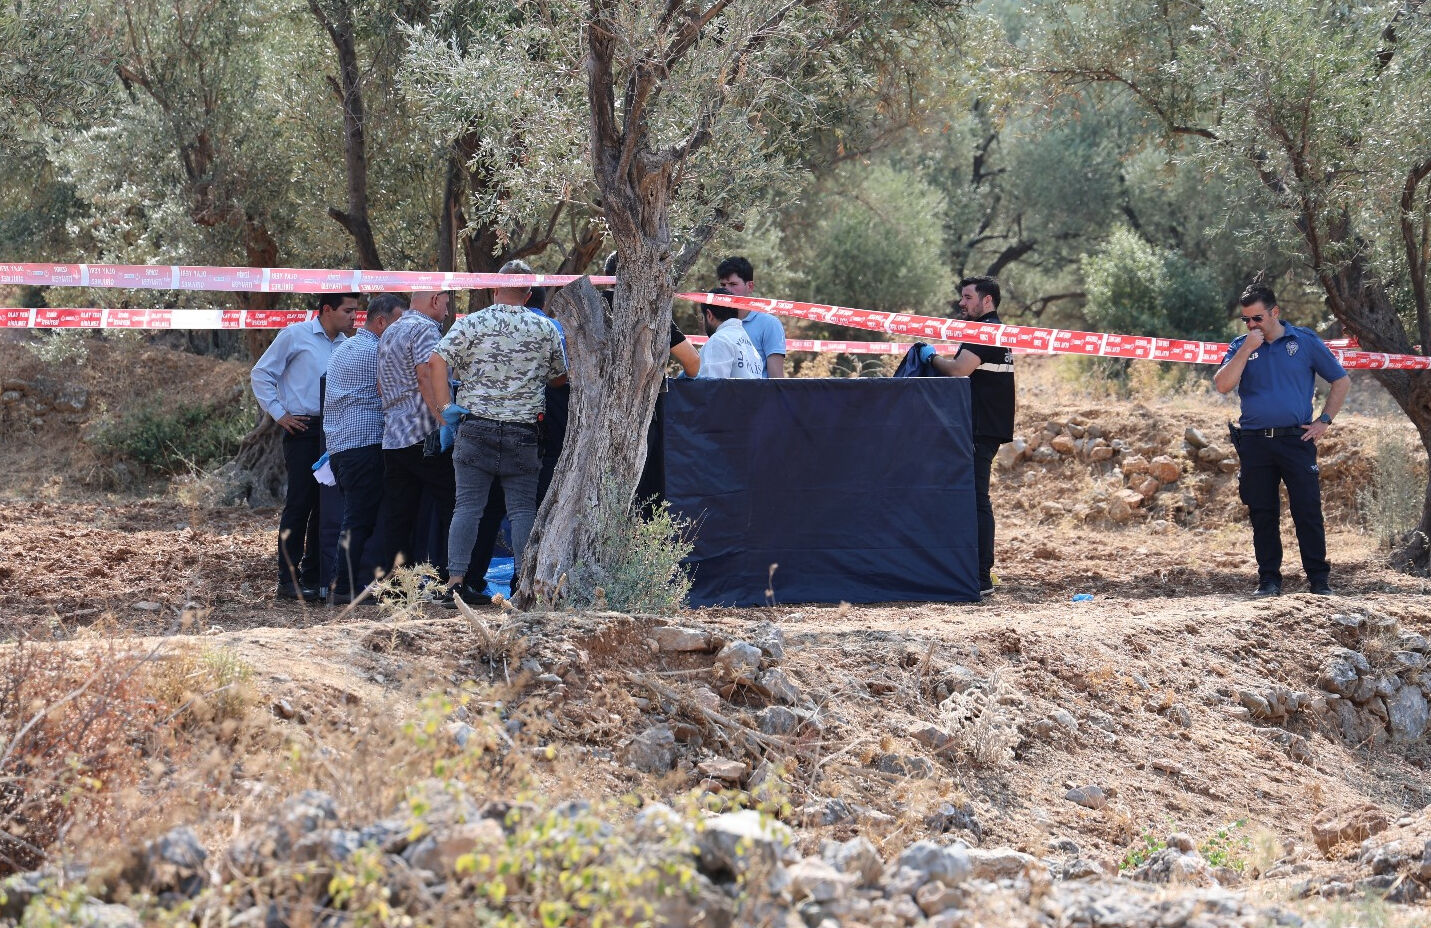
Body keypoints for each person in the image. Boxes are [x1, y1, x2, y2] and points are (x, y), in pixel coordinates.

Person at [426, 260, 568, 603]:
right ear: (530, 293)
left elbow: (436, 360)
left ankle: (455, 581)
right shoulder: (545, 328)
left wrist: (447, 410)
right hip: (523, 432)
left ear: (494, 289)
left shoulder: (472, 323)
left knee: (467, 508)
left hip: (475, 429)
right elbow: (560, 377)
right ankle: (524, 585)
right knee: (521, 510)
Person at [1214, 283, 1350, 596]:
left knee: (1307, 511)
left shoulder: (1304, 341)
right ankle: (1269, 581)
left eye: (1257, 318)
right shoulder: (1240, 345)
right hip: (1255, 442)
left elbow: (1341, 381)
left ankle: (1319, 580)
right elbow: (1222, 385)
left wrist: (1324, 422)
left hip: (1296, 441)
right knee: (1262, 513)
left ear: (1275, 312)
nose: (1251, 325)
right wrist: (1248, 348)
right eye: (1246, 320)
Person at [250, 292, 357, 600]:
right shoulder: (294, 335)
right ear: (326, 310)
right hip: (304, 430)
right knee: (300, 504)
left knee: (327, 506)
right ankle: (288, 578)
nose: (354, 316)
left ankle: (315, 574)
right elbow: (261, 373)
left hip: (337, 431)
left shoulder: (347, 344)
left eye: (356, 310)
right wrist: (279, 414)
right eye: (348, 310)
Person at [919, 275, 1015, 598]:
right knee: (974, 497)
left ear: (987, 301)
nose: (962, 303)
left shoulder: (984, 331)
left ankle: (981, 575)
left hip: (980, 427)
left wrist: (930, 358)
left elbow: (960, 369)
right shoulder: (991, 331)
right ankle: (974, 570)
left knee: (976, 499)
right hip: (984, 426)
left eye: (968, 297)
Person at [364, 288, 456, 587]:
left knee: (399, 516)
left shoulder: (390, 332)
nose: (447, 309)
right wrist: (445, 420)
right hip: (424, 434)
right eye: (446, 302)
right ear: (434, 301)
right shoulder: (426, 329)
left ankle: (397, 584)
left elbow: (381, 385)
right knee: (453, 505)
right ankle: (452, 579)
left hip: (393, 436)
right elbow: (426, 375)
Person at [322, 293, 407, 604]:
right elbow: (399, 392)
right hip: (365, 444)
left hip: (340, 446)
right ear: (382, 321)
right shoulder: (378, 352)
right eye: (399, 323)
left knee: (355, 517)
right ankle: (342, 587)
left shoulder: (343, 348)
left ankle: (342, 585)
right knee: (358, 520)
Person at [716, 255, 785, 377]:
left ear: (750, 286)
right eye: (723, 285)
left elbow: (777, 381)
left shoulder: (770, 324)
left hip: (758, 395)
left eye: (733, 284)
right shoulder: (718, 322)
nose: (726, 291)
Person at [696, 292, 764, 379]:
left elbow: (711, 388)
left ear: (709, 315)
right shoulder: (749, 345)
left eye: (702, 318)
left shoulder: (718, 340)